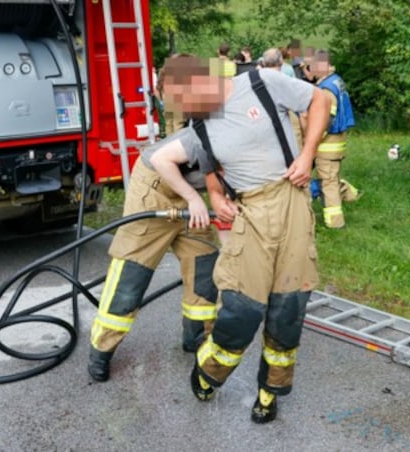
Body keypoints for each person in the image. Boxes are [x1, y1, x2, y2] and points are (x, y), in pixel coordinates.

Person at [151, 55, 331, 423]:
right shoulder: (199, 126)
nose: (185, 108)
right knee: (243, 308)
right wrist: (214, 198)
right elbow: (211, 172)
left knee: (288, 307)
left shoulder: (261, 83)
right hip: (250, 215)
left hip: (292, 204)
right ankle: (210, 371)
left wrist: (308, 154)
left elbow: (320, 101)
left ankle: (270, 391)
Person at [87, 129, 219, 382]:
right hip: (156, 187)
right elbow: (160, 159)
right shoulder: (217, 131)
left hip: (191, 200)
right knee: (132, 275)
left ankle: (196, 338)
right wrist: (192, 198)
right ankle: (101, 350)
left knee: (204, 266)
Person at [306, 49, 360, 228]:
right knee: (331, 177)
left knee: (327, 182)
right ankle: (351, 194)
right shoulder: (336, 81)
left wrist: (312, 141)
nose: (310, 70)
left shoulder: (326, 89)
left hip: (327, 145)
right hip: (337, 144)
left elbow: (326, 121)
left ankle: (335, 223)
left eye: (312, 66)